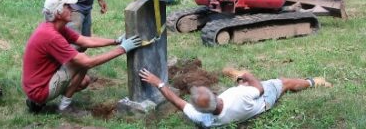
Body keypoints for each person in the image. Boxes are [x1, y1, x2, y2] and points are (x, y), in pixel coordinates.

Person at [22, 0, 142, 114]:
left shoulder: (56, 27)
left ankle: (36, 103)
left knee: (84, 81)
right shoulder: (51, 36)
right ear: (58, 13)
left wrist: (116, 41)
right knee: (80, 63)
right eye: (67, 6)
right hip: (39, 90)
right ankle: (64, 107)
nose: (72, 8)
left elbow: (85, 40)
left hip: (36, 85)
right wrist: (122, 49)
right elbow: (87, 62)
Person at [139, 67, 332, 127]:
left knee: (244, 86)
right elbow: (259, 90)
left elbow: (176, 101)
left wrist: (158, 83)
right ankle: (314, 82)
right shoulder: (239, 97)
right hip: (262, 101)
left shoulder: (203, 119)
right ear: (215, 94)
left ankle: (238, 77)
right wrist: (247, 75)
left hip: (243, 103)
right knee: (282, 82)